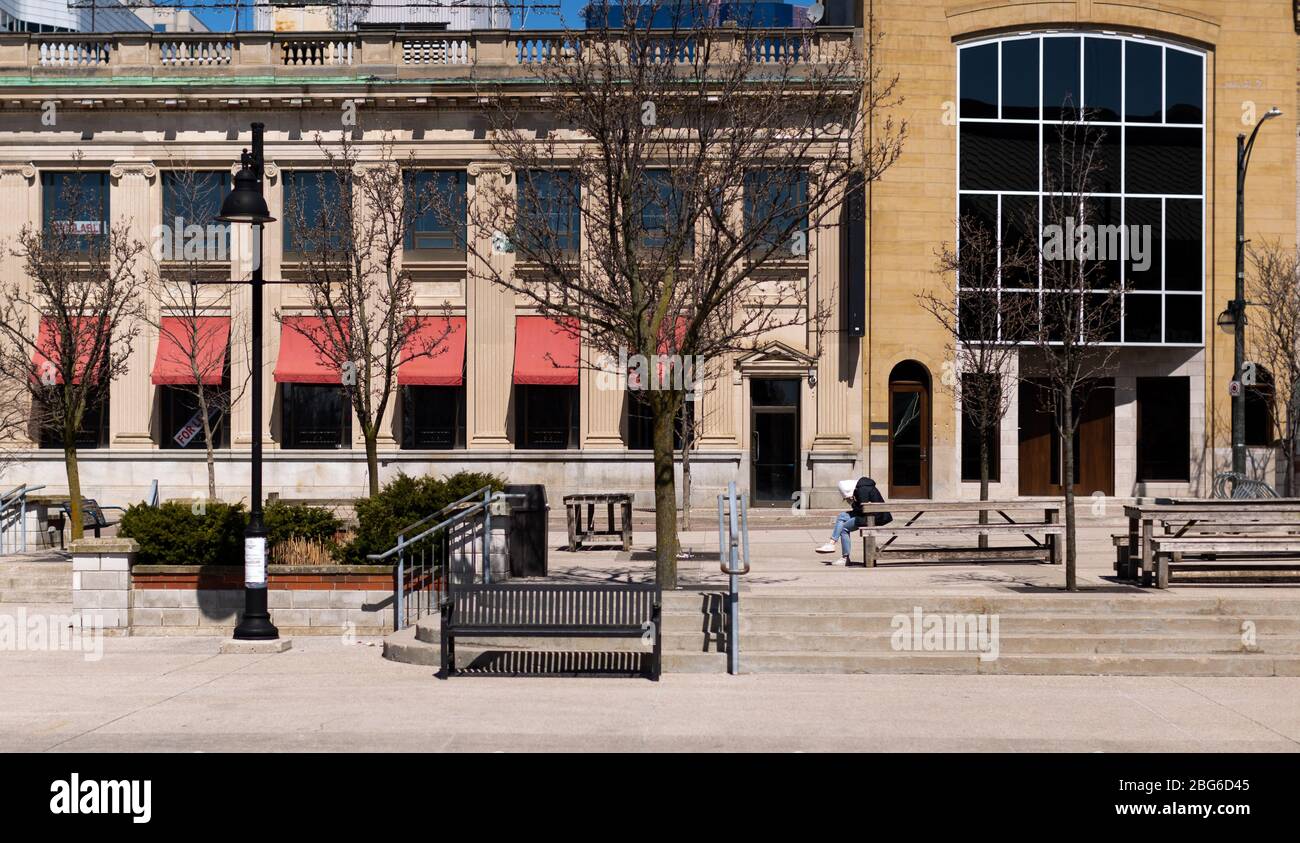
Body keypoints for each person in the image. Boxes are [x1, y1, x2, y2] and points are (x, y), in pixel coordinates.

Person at [816, 477, 891, 565]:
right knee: (842, 516)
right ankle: (831, 543)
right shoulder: (861, 487)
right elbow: (862, 508)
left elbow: (863, 509)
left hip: (875, 518)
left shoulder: (862, 490)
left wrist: (852, 503)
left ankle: (845, 558)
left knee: (844, 529)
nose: (847, 499)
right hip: (870, 515)